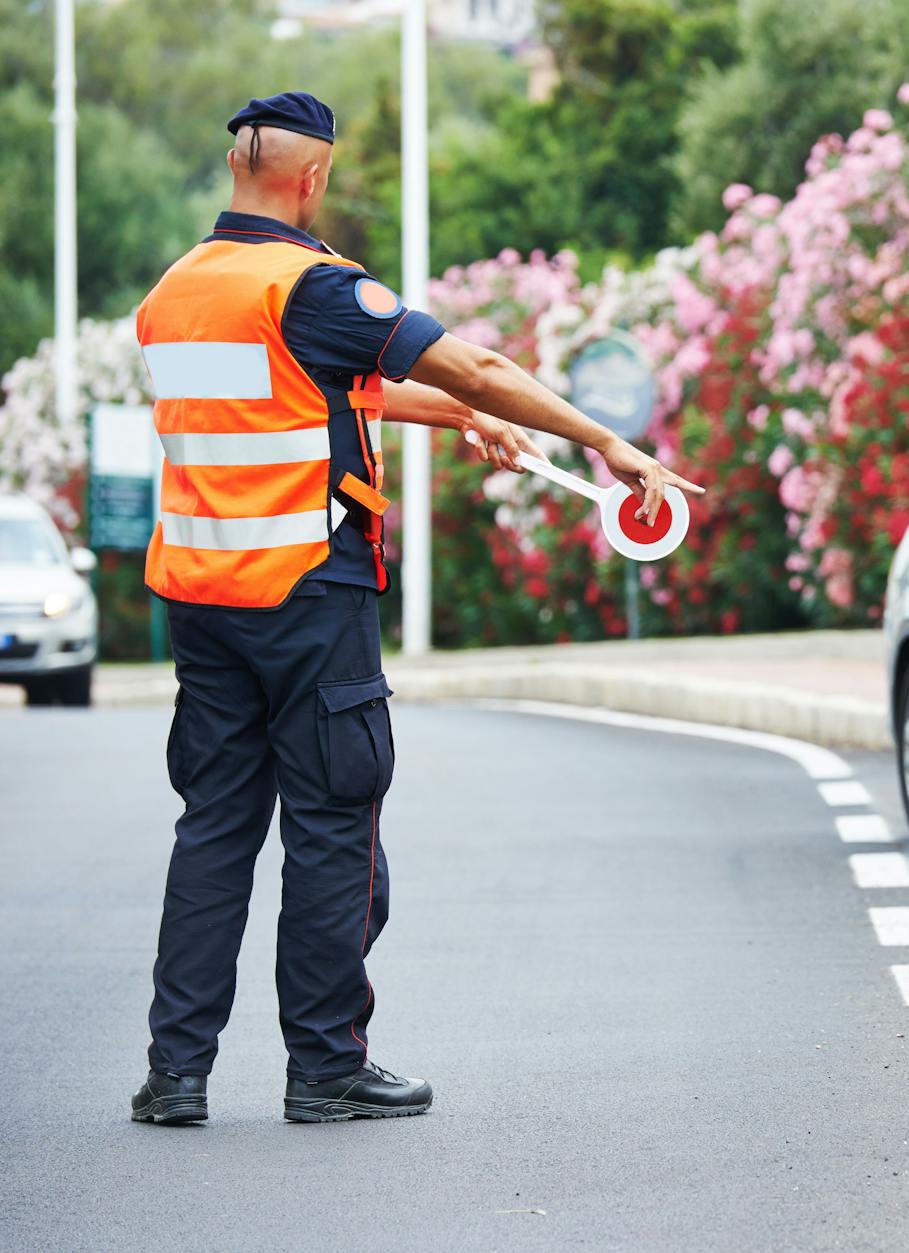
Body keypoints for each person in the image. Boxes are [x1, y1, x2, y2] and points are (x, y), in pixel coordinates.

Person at [129, 92, 703, 1127]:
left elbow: (314, 389)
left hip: (205, 600)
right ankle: (326, 1068)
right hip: (309, 594)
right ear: (313, 177)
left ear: (238, 171)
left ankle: (175, 1074)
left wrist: (462, 415)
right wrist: (603, 443)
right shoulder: (311, 284)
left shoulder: (177, 293)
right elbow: (467, 357)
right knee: (333, 826)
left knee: (212, 831)